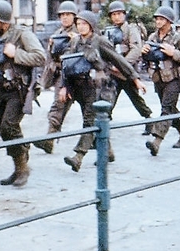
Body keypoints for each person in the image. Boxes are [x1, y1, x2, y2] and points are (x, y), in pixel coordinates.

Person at [59, 10, 146, 172]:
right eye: (78, 24)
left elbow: (118, 60)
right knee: (96, 122)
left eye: (84, 24)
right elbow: (66, 65)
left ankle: (78, 156)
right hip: (81, 89)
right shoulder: (75, 42)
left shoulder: (100, 41)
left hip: (99, 88)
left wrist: (135, 79)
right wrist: (64, 86)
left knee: (89, 122)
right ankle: (107, 152)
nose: (81, 27)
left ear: (91, 25)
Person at [0, 0, 46, 187]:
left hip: (17, 90)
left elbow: (40, 57)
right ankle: (19, 163)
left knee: (9, 126)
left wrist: (16, 53)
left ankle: (22, 168)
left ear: (4, 22)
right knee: (2, 129)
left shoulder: (22, 34)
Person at [141, 6, 180, 155]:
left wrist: (174, 53)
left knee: (166, 109)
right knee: (171, 110)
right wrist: (144, 52)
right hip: (158, 77)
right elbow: (148, 57)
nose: (158, 22)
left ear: (169, 21)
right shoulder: (152, 38)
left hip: (174, 79)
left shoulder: (179, 39)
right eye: (157, 19)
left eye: (161, 19)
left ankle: (157, 141)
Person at [34, 0, 78, 154]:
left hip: (80, 77)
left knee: (90, 112)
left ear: (74, 16)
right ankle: (49, 140)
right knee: (58, 106)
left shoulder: (80, 31)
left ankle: (106, 148)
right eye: (62, 15)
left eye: (68, 15)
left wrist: (74, 40)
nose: (65, 18)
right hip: (63, 76)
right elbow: (50, 59)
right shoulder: (57, 34)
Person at [103, 1, 154, 129]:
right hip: (113, 72)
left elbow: (136, 50)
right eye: (113, 14)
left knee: (135, 98)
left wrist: (122, 66)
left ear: (124, 15)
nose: (116, 17)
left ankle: (149, 119)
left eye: (119, 14)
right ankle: (103, 125)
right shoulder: (109, 31)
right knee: (107, 99)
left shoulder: (131, 29)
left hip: (127, 72)